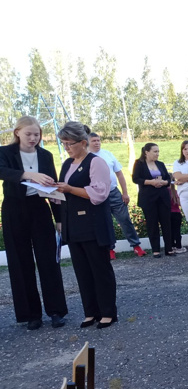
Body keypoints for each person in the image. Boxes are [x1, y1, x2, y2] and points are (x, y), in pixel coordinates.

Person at [0, 116, 68, 329]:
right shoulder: (5, 153)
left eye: (36, 134)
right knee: (20, 262)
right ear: (17, 132)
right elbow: (3, 172)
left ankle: (56, 311)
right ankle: (31, 314)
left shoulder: (45, 155)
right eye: (28, 134)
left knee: (49, 260)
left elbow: (54, 185)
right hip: (14, 209)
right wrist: (28, 175)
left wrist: (59, 219)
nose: (32, 138)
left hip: (39, 209)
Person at [54, 122, 117, 329]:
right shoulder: (67, 164)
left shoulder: (96, 162)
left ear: (83, 142)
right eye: (63, 144)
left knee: (99, 269)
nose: (66, 148)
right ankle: (90, 312)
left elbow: (99, 194)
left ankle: (107, 312)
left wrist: (70, 188)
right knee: (82, 271)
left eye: (69, 143)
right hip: (74, 225)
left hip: (93, 225)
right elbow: (66, 191)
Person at [88, 133, 146, 258]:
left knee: (125, 219)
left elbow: (119, 174)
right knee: (105, 222)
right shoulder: (86, 157)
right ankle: (110, 249)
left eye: (98, 140)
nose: (97, 143)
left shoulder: (108, 154)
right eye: (94, 141)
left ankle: (136, 246)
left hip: (114, 192)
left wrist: (125, 193)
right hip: (98, 194)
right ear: (87, 142)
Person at [132, 143, 174, 257]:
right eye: (155, 151)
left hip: (162, 197)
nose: (157, 154)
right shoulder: (139, 164)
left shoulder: (160, 164)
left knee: (166, 222)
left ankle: (169, 249)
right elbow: (135, 179)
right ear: (146, 152)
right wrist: (151, 182)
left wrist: (164, 182)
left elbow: (167, 178)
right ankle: (156, 250)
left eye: (158, 151)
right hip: (148, 198)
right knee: (152, 223)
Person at [168, 185, 185, 253]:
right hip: (176, 213)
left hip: (168, 213)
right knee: (177, 231)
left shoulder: (165, 192)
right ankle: (179, 246)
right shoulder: (175, 192)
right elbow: (180, 203)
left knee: (170, 231)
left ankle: (172, 246)